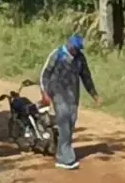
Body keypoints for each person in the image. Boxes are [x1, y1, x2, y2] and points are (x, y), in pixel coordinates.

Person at [39, 34, 101, 170]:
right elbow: (44, 74)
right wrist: (45, 93)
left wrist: (94, 95)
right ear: (69, 44)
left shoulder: (80, 58)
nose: (76, 51)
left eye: (78, 49)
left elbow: (86, 77)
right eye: (74, 48)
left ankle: (62, 151)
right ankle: (64, 159)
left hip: (73, 97)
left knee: (71, 124)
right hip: (57, 94)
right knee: (64, 124)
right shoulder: (57, 55)